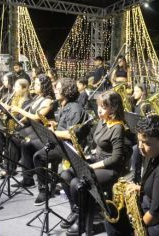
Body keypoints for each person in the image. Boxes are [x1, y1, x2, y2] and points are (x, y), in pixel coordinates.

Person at [60, 90, 131, 235]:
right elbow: (98, 145)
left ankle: (85, 218)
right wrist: (89, 155)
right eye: (99, 106)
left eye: (103, 107)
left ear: (113, 108)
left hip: (110, 168)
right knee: (66, 175)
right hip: (96, 161)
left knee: (77, 183)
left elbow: (115, 158)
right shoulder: (102, 121)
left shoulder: (117, 127)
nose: (99, 109)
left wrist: (91, 166)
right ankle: (78, 209)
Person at [13, 78, 89, 206]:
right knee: (28, 143)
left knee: (39, 156)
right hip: (58, 141)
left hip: (68, 147)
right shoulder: (64, 105)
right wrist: (53, 125)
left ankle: (44, 191)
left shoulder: (75, 108)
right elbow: (63, 127)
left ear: (67, 91)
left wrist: (53, 133)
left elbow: (71, 134)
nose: (55, 91)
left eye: (58, 89)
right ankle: (31, 178)